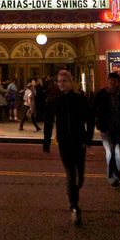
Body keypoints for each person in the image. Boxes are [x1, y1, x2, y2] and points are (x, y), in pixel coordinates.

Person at [43, 69, 92, 227]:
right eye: (59, 81)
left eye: (64, 81)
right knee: (71, 174)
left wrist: (88, 138)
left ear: (71, 83)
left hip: (79, 141)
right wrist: (46, 141)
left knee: (80, 175)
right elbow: (49, 121)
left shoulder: (80, 99)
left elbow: (90, 119)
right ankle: (74, 206)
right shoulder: (55, 100)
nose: (61, 84)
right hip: (64, 142)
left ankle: (77, 187)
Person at [93, 72, 120, 186]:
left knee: (118, 153)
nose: (112, 84)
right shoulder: (101, 94)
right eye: (111, 81)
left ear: (118, 83)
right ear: (108, 82)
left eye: (114, 82)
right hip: (106, 128)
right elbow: (93, 108)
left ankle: (117, 175)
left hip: (118, 128)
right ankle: (112, 177)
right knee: (110, 151)